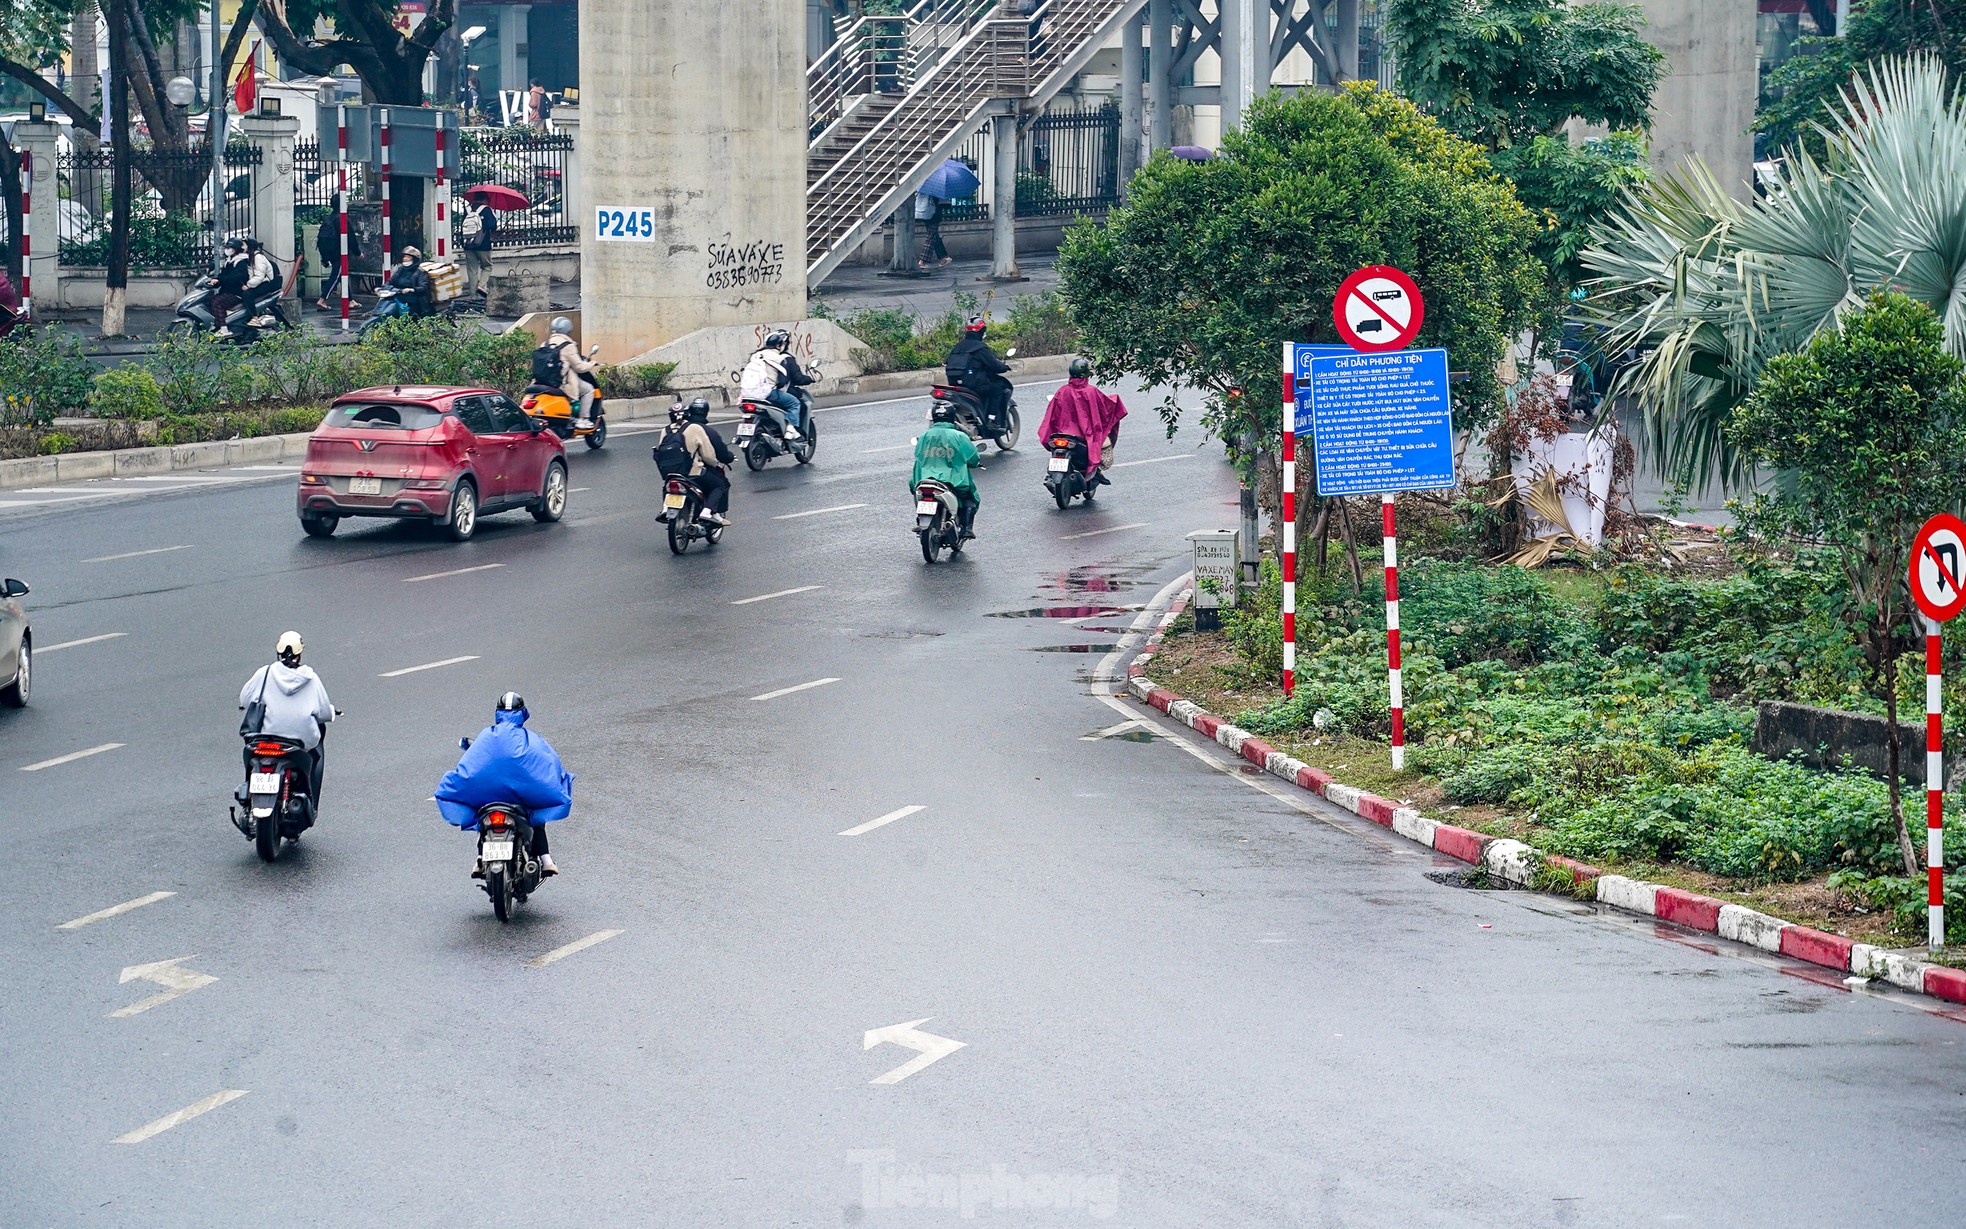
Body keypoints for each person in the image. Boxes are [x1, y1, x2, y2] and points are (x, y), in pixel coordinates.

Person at [437, 692, 571, 878]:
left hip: (490, 796)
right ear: (522, 712)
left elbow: (472, 759)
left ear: (498, 712)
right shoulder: (531, 739)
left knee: (480, 816)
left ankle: (479, 859)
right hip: (521, 795)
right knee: (536, 816)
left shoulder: (487, 735)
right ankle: (546, 860)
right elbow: (549, 760)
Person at [236, 631, 335, 813]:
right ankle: (310, 803)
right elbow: (323, 712)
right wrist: (332, 712)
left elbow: (244, 699)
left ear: (278, 652)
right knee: (317, 749)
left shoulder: (264, 673)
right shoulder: (311, 679)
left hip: (263, 739)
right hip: (297, 744)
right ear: (299, 654)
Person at [1037, 357, 1127, 486]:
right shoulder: (1091, 391)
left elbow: (1051, 415)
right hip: (1084, 436)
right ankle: (1095, 472)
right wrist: (1115, 400)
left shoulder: (1062, 391)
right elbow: (1105, 407)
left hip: (1063, 434)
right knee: (1103, 442)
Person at [911, 399, 982, 539]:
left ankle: (920, 518)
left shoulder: (924, 436)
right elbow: (973, 459)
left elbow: (918, 456)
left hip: (923, 479)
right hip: (952, 480)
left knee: (914, 491)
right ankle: (967, 529)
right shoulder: (959, 436)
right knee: (971, 499)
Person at [737, 329, 815, 441]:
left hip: (747, 395)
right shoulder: (781, 358)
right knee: (794, 403)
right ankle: (790, 430)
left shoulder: (755, 356)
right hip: (767, 393)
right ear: (779, 345)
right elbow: (783, 382)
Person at [945, 315, 1013, 431]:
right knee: (997, 390)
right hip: (972, 384)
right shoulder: (980, 348)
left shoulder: (958, 346)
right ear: (981, 331)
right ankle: (991, 421)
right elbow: (995, 366)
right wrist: (1005, 367)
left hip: (954, 383)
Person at [680, 396, 736, 526]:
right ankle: (709, 512)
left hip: (673, 470)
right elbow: (714, 456)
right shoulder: (707, 431)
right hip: (695, 470)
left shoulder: (676, 428)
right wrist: (727, 458)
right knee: (720, 483)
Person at [544, 316, 599, 426]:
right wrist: (592, 364)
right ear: (567, 330)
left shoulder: (545, 344)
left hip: (543, 381)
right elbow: (579, 367)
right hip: (561, 382)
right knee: (588, 389)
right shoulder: (567, 346)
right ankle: (583, 419)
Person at [314, 195, 360, 312]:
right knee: (336, 275)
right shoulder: (341, 219)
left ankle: (350, 301)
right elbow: (351, 238)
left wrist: (324, 257)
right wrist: (357, 252)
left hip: (330, 252)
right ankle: (322, 299)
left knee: (341, 275)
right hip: (340, 252)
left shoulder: (329, 219)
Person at [458, 195, 497, 298]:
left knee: (472, 270)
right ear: (484, 200)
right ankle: (481, 286)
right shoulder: (487, 210)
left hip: (468, 245)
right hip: (483, 245)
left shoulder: (467, 210)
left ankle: (473, 296)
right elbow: (492, 226)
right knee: (487, 266)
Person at [210, 237, 251, 333]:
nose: (227, 250)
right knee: (210, 300)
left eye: (230, 247)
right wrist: (215, 280)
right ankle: (219, 324)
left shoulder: (241, 262)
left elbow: (235, 278)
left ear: (235, 249)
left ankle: (224, 329)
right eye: (227, 247)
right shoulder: (229, 261)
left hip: (236, 292)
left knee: (217, 303)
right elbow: (223, 276)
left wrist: (221, 280)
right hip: (228, 291)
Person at [385, 246, 434, 318]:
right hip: (399, 296)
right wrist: (383, 288)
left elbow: (424, 287)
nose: (405, 259)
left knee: (411, 317)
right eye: (404, 257)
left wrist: (412, 289)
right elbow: (390, 281)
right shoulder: (401, 270)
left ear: (414, 259)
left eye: (408, 257)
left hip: (413, 300)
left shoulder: (420, 272)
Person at [915, 189, 949, 270]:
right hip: (934, 213)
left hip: (924, 212)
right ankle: (922, 261)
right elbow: (943, 203)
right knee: (931, 236)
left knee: (934, 235)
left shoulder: (925, 186)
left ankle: (943, 257)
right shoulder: (938, 188)